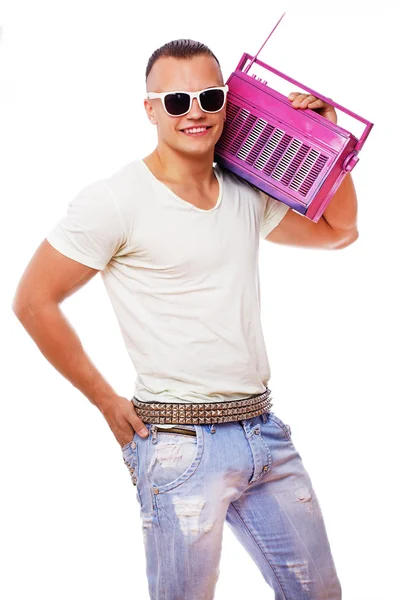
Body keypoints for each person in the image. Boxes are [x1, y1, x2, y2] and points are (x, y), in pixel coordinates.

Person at [12, 38, 358, 600]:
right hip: (179, 443)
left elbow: (339, 232)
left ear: (227, 102)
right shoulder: (117, 201)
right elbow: (32, 301)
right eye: (176, 100)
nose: (194, 110)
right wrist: (104, 399)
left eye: (208, 95)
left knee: (319, 593)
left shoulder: (246, 193)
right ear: (149, 110)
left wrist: (330, 143)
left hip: (264, 433)